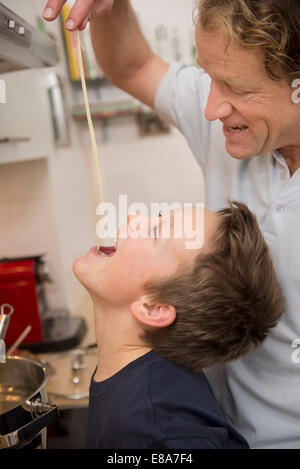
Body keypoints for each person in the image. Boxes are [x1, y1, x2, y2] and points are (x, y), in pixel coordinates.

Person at [43, 0, 300, 448]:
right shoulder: (232, 124)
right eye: (210, 77)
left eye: (236, 87)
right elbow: (134, 63)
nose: (211, 107)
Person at [73, 203, 284, 449]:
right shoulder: (138, 391)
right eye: (158, 218)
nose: (134, 215)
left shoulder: (153, 430)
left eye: (154, 233)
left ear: (153, 308)